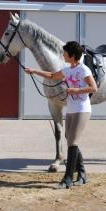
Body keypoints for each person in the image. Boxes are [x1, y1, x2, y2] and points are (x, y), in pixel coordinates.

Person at [24, 41, 97, 189]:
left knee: (73, 141)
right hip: (71, 109)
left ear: (71, 55)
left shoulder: (84, 70)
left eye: (64, 53)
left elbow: (93, 88)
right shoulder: (67, 69)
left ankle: (68, 178)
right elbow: (52, 76)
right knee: (69, 139)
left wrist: (76, 91)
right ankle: (82, 174)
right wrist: (34, 71)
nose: (62, 55)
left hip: (82, 109)